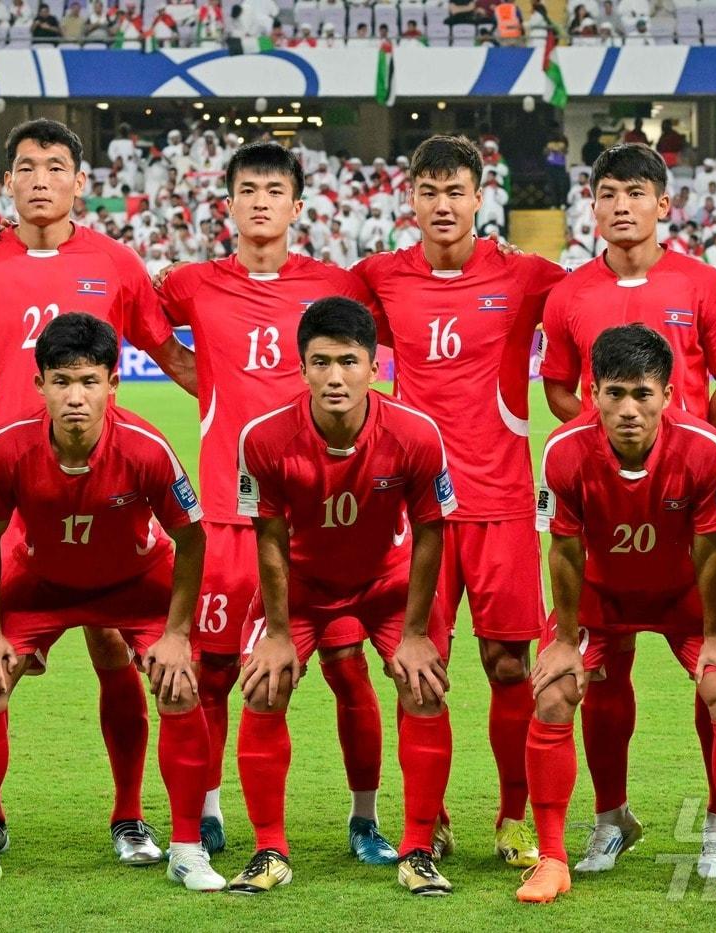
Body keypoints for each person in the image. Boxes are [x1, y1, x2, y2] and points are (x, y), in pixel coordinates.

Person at [0, 118, 195, 864]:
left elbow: (170, 354)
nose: (39, 179)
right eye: (26, 166)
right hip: (5, 492)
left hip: (101, 487)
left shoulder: (115, 261)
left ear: (81, 181)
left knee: (114, 648)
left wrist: (250, 406)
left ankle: (129, 815)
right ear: (6, 181)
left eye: (54, 166)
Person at [154, 144, 393, 862]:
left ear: (297, 205)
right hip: (229, 517)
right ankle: (208, 810)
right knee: (216, 674)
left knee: (347, 666)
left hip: (320, 524)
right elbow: (137, 317)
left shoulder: (336, 285)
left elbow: (395, 328)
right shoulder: (193, 283)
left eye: (275, 190)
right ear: (227, 203)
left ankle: (365, 819)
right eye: (249, 189)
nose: (261, 201)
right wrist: (204, 378)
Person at [0, 313, 223, 893]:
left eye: (89, 381)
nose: (75, 396)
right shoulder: (6, 446)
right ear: (39, 384)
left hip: (134, 583)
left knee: (180, 685)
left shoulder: (146, 447)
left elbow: (192, 539)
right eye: (61, 381)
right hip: (39, 582)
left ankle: (186, 849)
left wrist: (175, 635)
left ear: (113, 383)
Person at [538, 143, 716, 879]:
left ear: (663, 204)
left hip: (686, 511)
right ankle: (610, 819)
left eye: (636, 192)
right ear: (592, 205)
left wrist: (683, 454)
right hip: (607, 513)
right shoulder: (567, 294)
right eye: (608, 193)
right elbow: (559, 386)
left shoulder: (703, 283)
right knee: (601, 675)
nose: (621, 205)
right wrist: (611, 448)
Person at [355, 135, 566, 869]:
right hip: (414, 510)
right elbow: (306, 299)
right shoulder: (380, 276)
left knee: (509, 665)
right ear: (410, 198)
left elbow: (600, 295)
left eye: (455, 191)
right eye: (429, 191)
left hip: (501, 502)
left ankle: (512, 818)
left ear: (480, 196)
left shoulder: (526, 275)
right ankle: (428, 820)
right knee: (418, 668)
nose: (442, 205)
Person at [522, 324, 716, 906]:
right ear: (593, 393)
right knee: (554, 694)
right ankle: (562, 853)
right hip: (601, 594)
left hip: (686, 594)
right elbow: (564, 549)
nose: (629, 409)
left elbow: (710, 546)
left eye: (642, 394)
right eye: (615, 394)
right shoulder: (564, 450)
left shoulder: (703, 447)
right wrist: (564, 639)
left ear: (668, 394)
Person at [229, 297, 457, 896]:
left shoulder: (415, 433)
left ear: (374, 367)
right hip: (302, 589)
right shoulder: (264, 438)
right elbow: (269, 541)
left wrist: (415, 634)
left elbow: (431, 533)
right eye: (321, 362)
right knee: (264, 685)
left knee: (423, 687)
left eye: (349, 362)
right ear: (301, 368)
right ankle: (269, 850)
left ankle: (418, 849)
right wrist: (279, 635)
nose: (335, 377)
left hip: (387, 585)